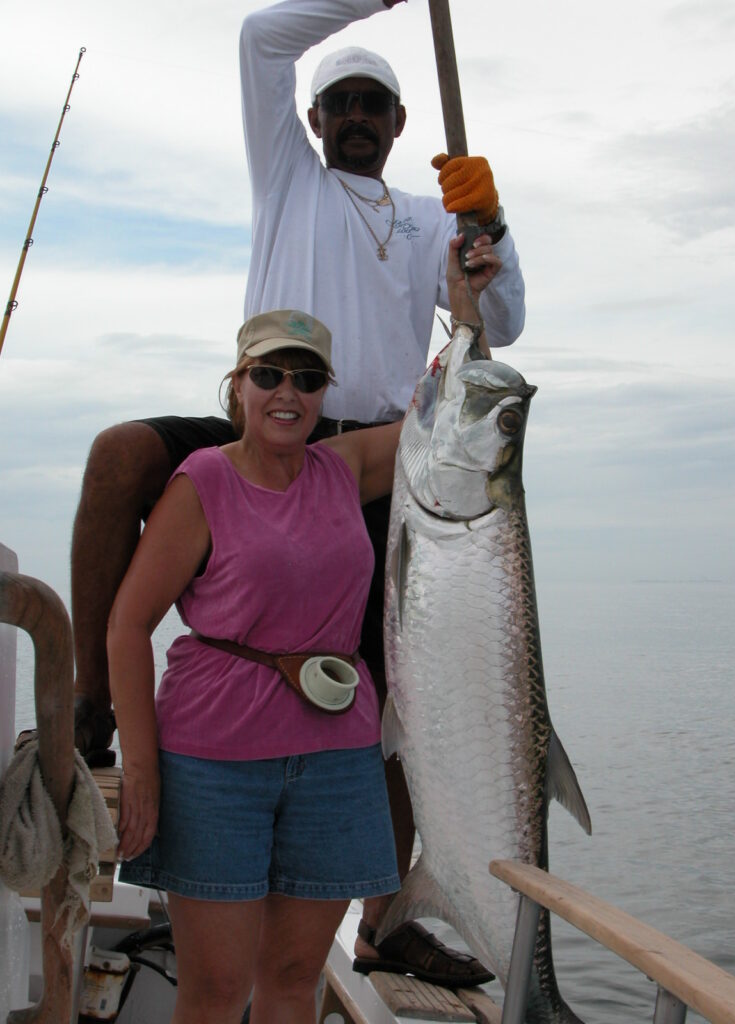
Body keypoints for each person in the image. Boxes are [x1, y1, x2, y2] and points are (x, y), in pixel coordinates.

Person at [72, 0, 525, 985]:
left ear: (400, 123)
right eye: (339, 102)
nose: (356, 114)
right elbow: (259, 38)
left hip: (376, 454)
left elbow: (504, 319)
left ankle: (384, 913)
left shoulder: (428, 215)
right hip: (266, 424)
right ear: (313, 120)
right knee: (116, 457)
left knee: (398, 689)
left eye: (375, 103)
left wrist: (488, 223)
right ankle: (92, 699)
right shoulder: (287, 178)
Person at [108, 234, 501, 1024]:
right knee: (217, 990)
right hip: (214, 764)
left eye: (308, 377)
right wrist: (142, 766)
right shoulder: (204, 483)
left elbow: (458, 414)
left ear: (326, 390)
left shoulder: (345, 466)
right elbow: (127, 628)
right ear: (238, 385)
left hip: (335, 762)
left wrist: (463, 310)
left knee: (293, 982)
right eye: (269, 374)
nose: (287, 392)